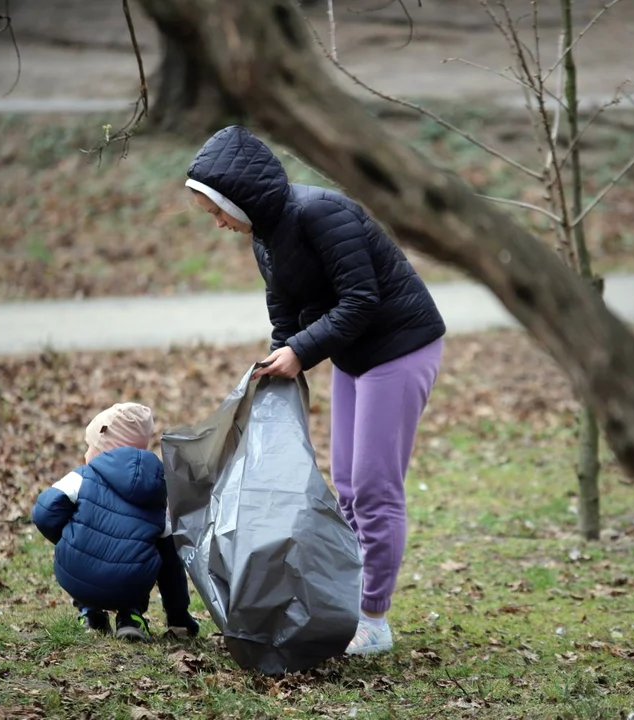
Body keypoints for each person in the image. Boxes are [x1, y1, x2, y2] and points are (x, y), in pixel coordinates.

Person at [184, 125, 446, 655]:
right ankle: (348, 602)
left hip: (399, 348)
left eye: (216, 211)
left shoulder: (321, 213)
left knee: (374, 490)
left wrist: (302, 351)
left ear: (239, 197)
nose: (217, 224)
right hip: (354, 355)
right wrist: (284, 353)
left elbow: (361, 299)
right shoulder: (266, 232)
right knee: (347, 488)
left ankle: (374, 618)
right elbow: (282, 305)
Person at [31, 402, 199, 641]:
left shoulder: (81, 477)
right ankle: (131, 616)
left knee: (94, 559)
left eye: (90, 446)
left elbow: (43, 513)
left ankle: (91, 614)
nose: (86, 453)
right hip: (129, 585)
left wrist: (73, 538)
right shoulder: (156, 493)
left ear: (104, 450)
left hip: (76, 575)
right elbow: (172, 565)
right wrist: (178, 615)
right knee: (150, 551)